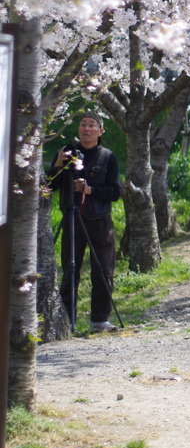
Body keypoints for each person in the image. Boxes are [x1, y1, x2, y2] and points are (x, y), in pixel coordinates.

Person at [47, 111, 122, 333]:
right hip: (72, 219)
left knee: (103, 271)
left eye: (91, 125)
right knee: (70, 271)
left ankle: (99, 321)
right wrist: (59, 165)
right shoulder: (67, 153)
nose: (86, 129)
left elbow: (115, 191)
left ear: (100, 131)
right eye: (82, 124)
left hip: (99, 220)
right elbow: (49, 187)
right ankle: (67, 322)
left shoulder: (108, 156)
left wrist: (91, 190)